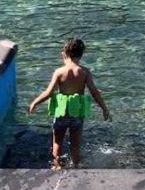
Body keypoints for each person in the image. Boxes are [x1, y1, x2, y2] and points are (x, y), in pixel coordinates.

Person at [28, 38, 112, 169]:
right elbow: (95, 92)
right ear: (81, 54)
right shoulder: (84, 72)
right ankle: (76, 166)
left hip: (61, 113)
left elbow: (49, 92)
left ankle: (57, 166)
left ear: (64, 53)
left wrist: (35, 102)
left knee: (57, 142)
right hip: (77, 113)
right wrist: (104, 109)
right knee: (75, 144)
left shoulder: (59, 72)